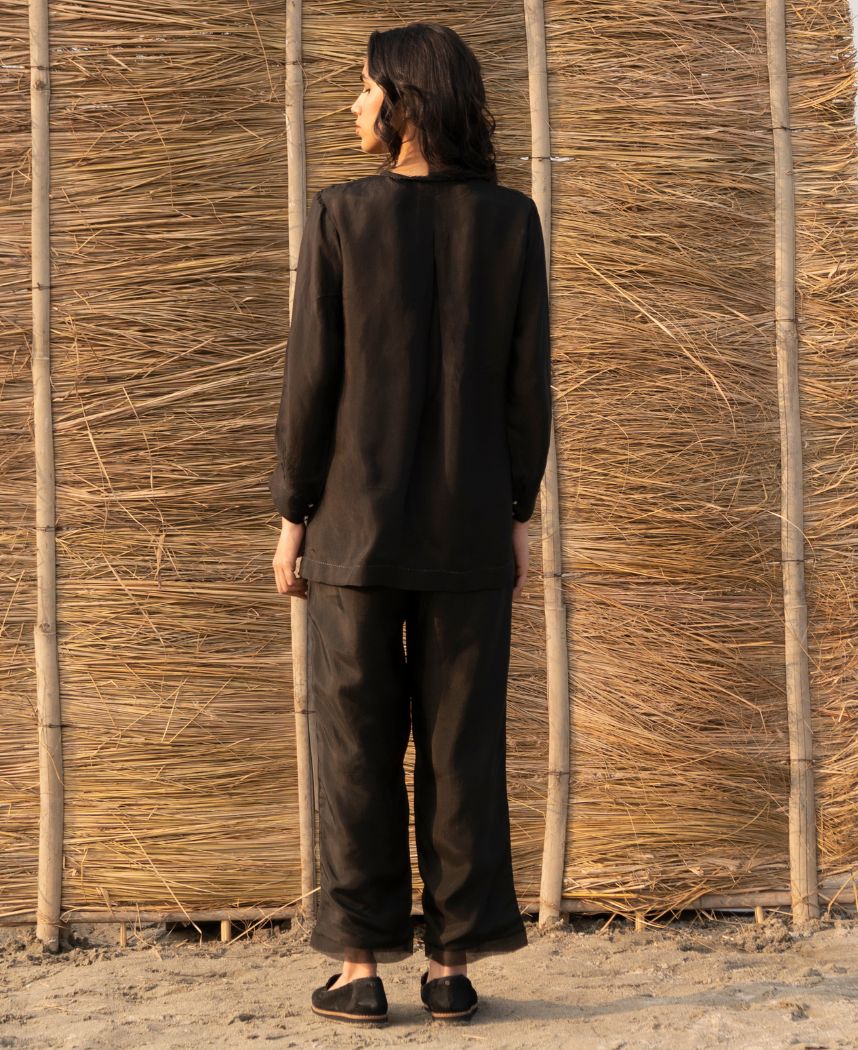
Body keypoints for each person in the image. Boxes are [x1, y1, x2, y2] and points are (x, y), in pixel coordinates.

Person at [269, 22, 552, 1026]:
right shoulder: (512, 222)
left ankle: (359, 969)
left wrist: (293, 514)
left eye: (366, 89)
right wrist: (518, 512)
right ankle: (451, 966)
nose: (356, 106)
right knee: (461, 747)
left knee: (356, 746)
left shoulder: (341, 215)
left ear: (407, 102)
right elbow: (527, 387)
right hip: (470, 525)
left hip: (354, 530)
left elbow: (312, 379)